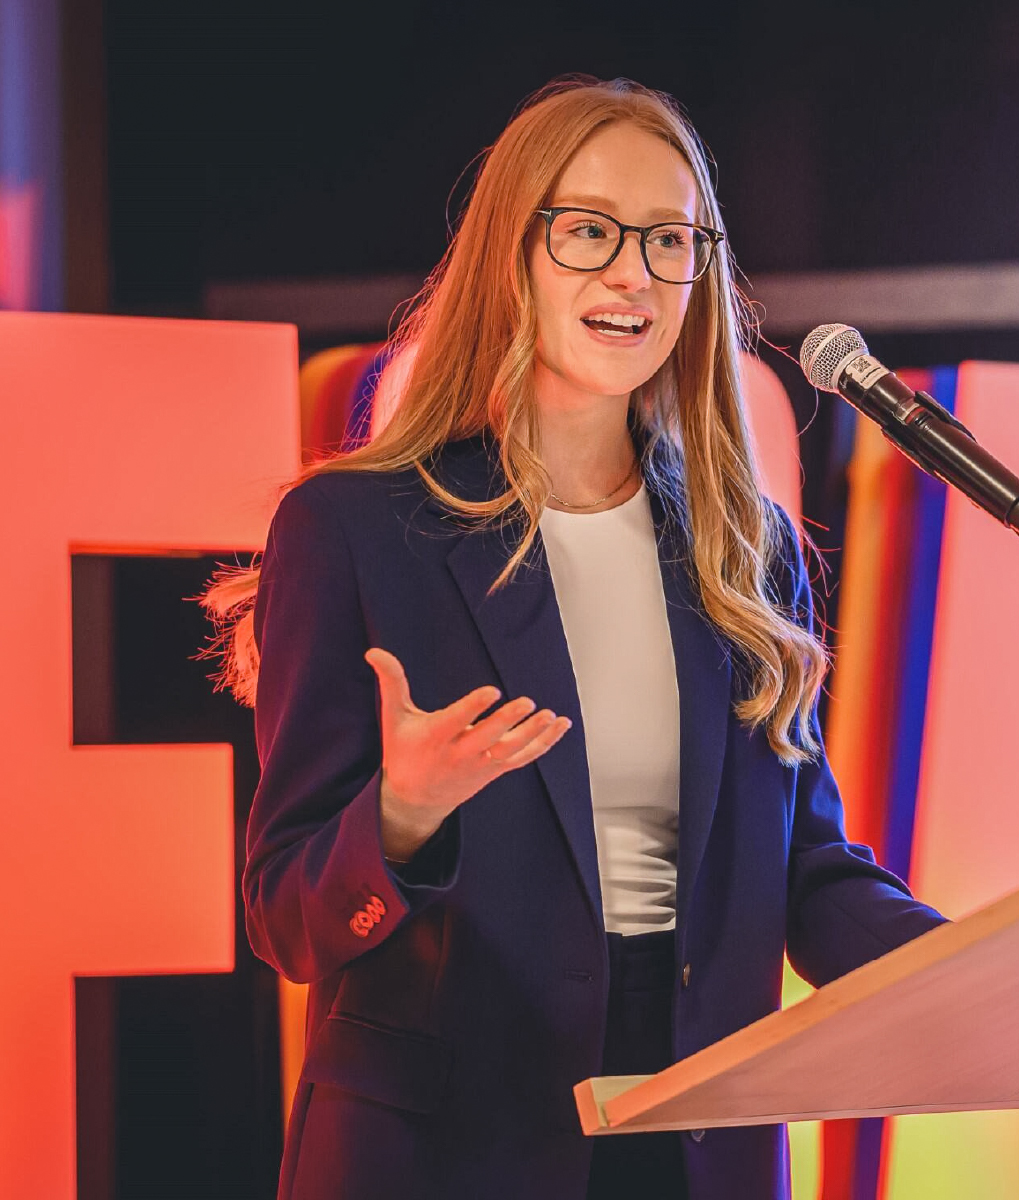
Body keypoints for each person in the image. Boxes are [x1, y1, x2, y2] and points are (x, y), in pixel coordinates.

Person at [202, 75, 946, 1200]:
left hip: (698, 1147)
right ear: (514, 251)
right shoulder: (355, 530)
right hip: (450, 1155)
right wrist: (401, 815)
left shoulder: (747, 550)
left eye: (668, 241)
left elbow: (804, 869)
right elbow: (290, 921)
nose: (632, 274)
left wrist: (979, 966)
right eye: (590, 230)